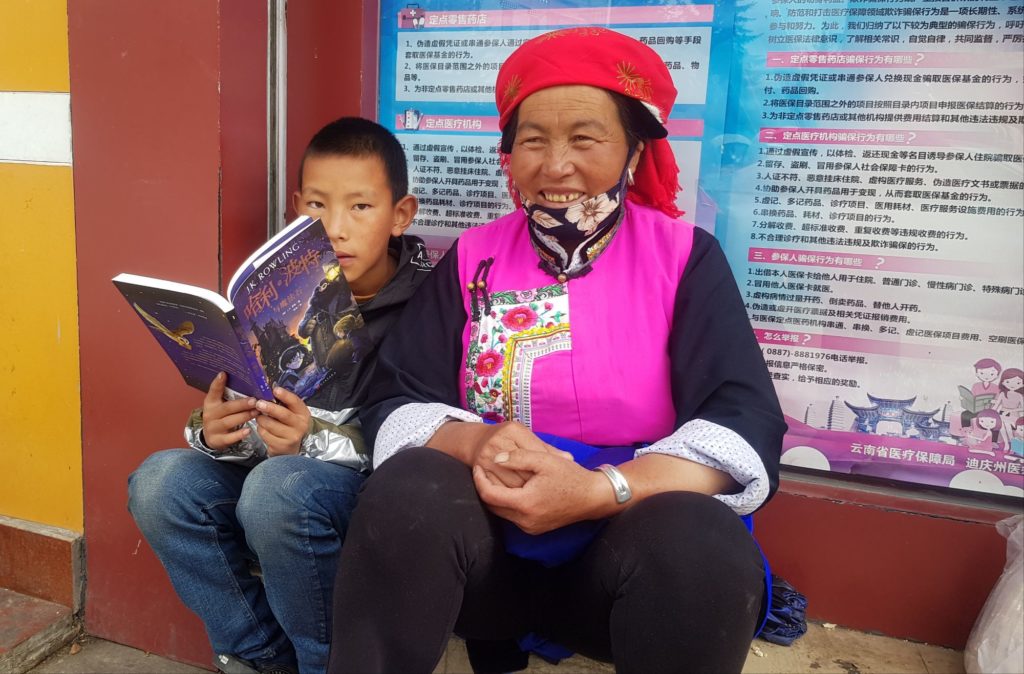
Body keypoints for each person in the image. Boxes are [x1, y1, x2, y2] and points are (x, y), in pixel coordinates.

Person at [326, 28, 786, 674]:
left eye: (585, 138)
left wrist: (600, 489)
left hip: (621, 558)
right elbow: (397, 398)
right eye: (533, 140)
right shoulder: (473, 258)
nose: (556, 165)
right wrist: (478, 443)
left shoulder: (684, 259)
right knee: (406, 492)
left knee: (701, 541)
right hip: (488, 556)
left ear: (634, 152)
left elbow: (742, 419)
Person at [127, 117, 432, 674]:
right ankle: (261, 658)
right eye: (316, 206)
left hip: (360, 493)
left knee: (277, 489)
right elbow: (253, 416)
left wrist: (308, 441)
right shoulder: (278, 298)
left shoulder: (427, 303)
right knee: (159, 483)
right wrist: (213, 431)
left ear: (401, 214)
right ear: (296, 209)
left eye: (360, 207)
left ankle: (328, 665)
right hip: (269, 474)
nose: (335, 229)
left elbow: (416, 441)